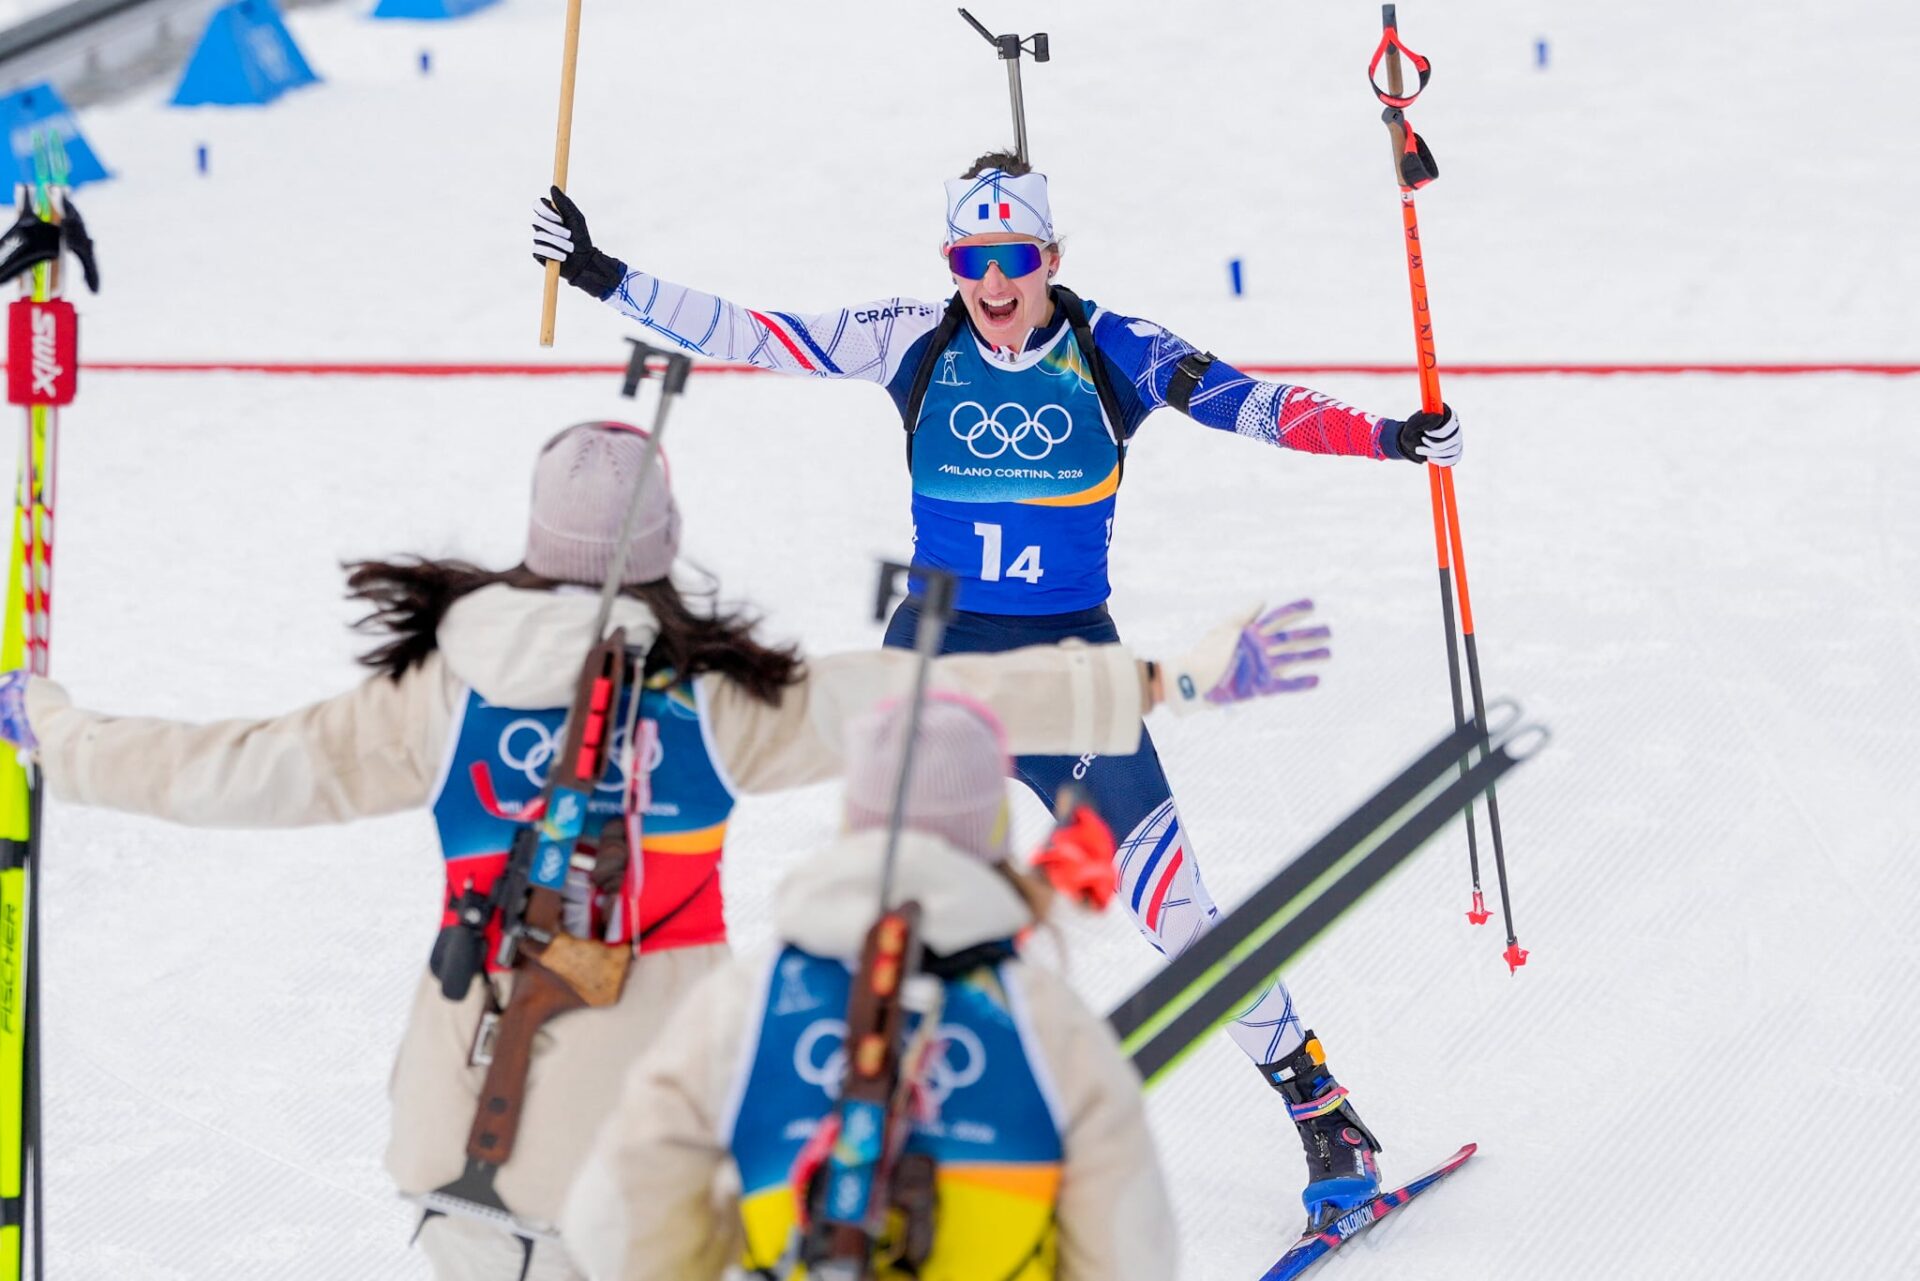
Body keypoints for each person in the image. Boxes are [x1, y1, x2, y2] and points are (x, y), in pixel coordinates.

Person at [0, 421, 1332, 1278]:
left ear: (537, 549)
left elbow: (230, 770)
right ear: (659, 555)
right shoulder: (717, 703)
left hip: (462, 1133)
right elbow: (935, 692)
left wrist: (55, 731)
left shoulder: (438, 695)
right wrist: (1167, 678)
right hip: (646, 1154)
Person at [529, 151, 1445, 1228]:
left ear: (1051, 257)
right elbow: (756, 334)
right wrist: (604, 276)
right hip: (935, 672)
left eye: (1014, 258)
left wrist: (1389, 439)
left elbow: (1252, 403)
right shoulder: (912, 338)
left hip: (1070, 676)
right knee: (882, 917)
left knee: (1179, 911)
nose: (993, 283)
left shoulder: (1115, 352)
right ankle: (862, 1140)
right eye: (973, 258)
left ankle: (1320, 1106)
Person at [560, 695, 1177, 1281]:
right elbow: (1135, 1258)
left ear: (853, 819)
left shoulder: (742, 1004)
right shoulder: (1050, 1022)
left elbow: (608, 1231)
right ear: (993, 827)